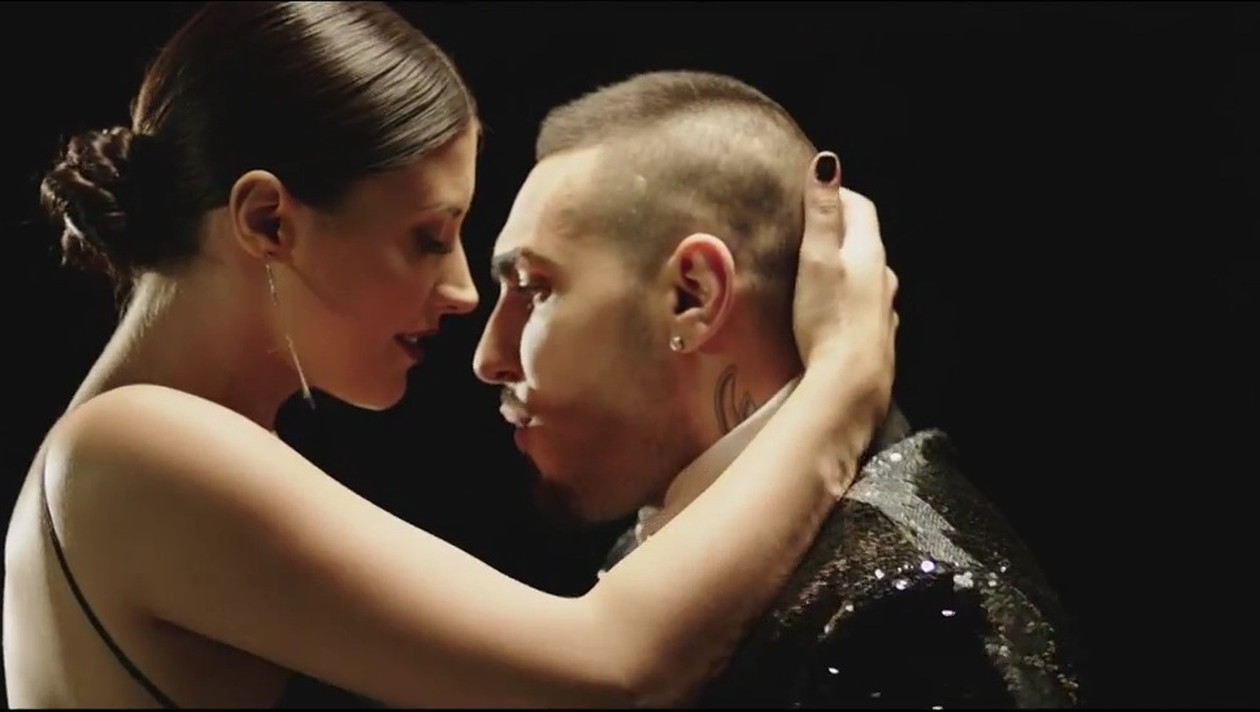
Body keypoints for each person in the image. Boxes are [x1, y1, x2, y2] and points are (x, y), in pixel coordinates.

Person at [3, 3, 900, 709]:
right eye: (428, 238)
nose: (464, 292)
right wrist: (848, 375)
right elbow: (609, 671)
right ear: (268, 220)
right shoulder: (138, 446)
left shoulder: (137, 448)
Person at [474, 70, 1086, 708]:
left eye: (533, 289)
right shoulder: (670, 537)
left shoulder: (913, 612)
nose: (488, 359)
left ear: (693, 294)